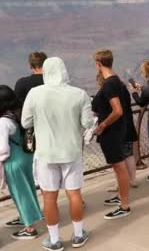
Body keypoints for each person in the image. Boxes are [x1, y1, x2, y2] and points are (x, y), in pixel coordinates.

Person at [21, 57, 94, 250]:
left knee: (49, 197)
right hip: (71, 151)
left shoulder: (35, 94)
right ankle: (78, 235)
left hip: (45, 154)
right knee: (74, 194)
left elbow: (25, 122)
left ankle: (54, 241)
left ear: (45, 72)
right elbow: (88, 123)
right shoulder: (79, 94)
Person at [5, 51, 47, 228]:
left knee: (30, 174)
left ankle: (28, 214)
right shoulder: (52, 82)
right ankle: (47, 208)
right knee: (46, 172)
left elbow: (14, 105)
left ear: (31, 66)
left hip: (28, 132)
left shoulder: (23, 83)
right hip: (50, 131)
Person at [91, 49, 133, 220]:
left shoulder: (109, 85)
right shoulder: (117, 81)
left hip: (112, 132)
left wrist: (103, 124)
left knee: (119, 167)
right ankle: (121, 197)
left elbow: (117, 110)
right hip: (119, 130)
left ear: (99, 64)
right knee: (118, 167)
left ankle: (124, 206)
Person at [0, 86, 43, 240]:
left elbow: (3, 148)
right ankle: (29, 216)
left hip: (14, 160)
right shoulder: (17, 114)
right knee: (28, 189)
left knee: (19, 193)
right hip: (25, 156)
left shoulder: (3, 121)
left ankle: (29, 228)